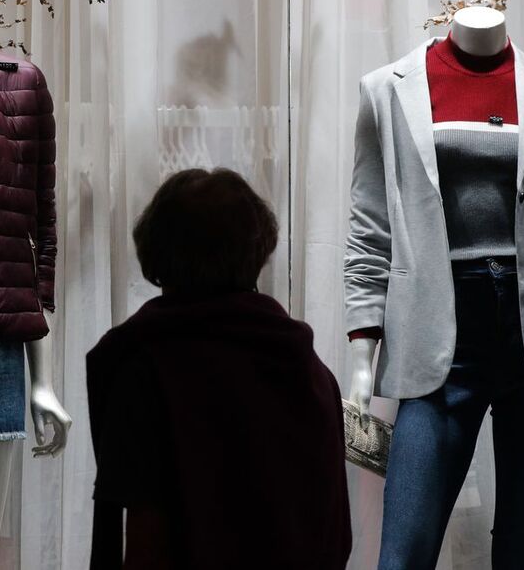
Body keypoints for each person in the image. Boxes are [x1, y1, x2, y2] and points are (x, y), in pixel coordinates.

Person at [87, 168, 351, 569]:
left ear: (157, 252)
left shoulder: (144, 367)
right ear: (257, 250)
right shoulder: (309, 370)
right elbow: (332, 530)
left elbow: (146, 543)